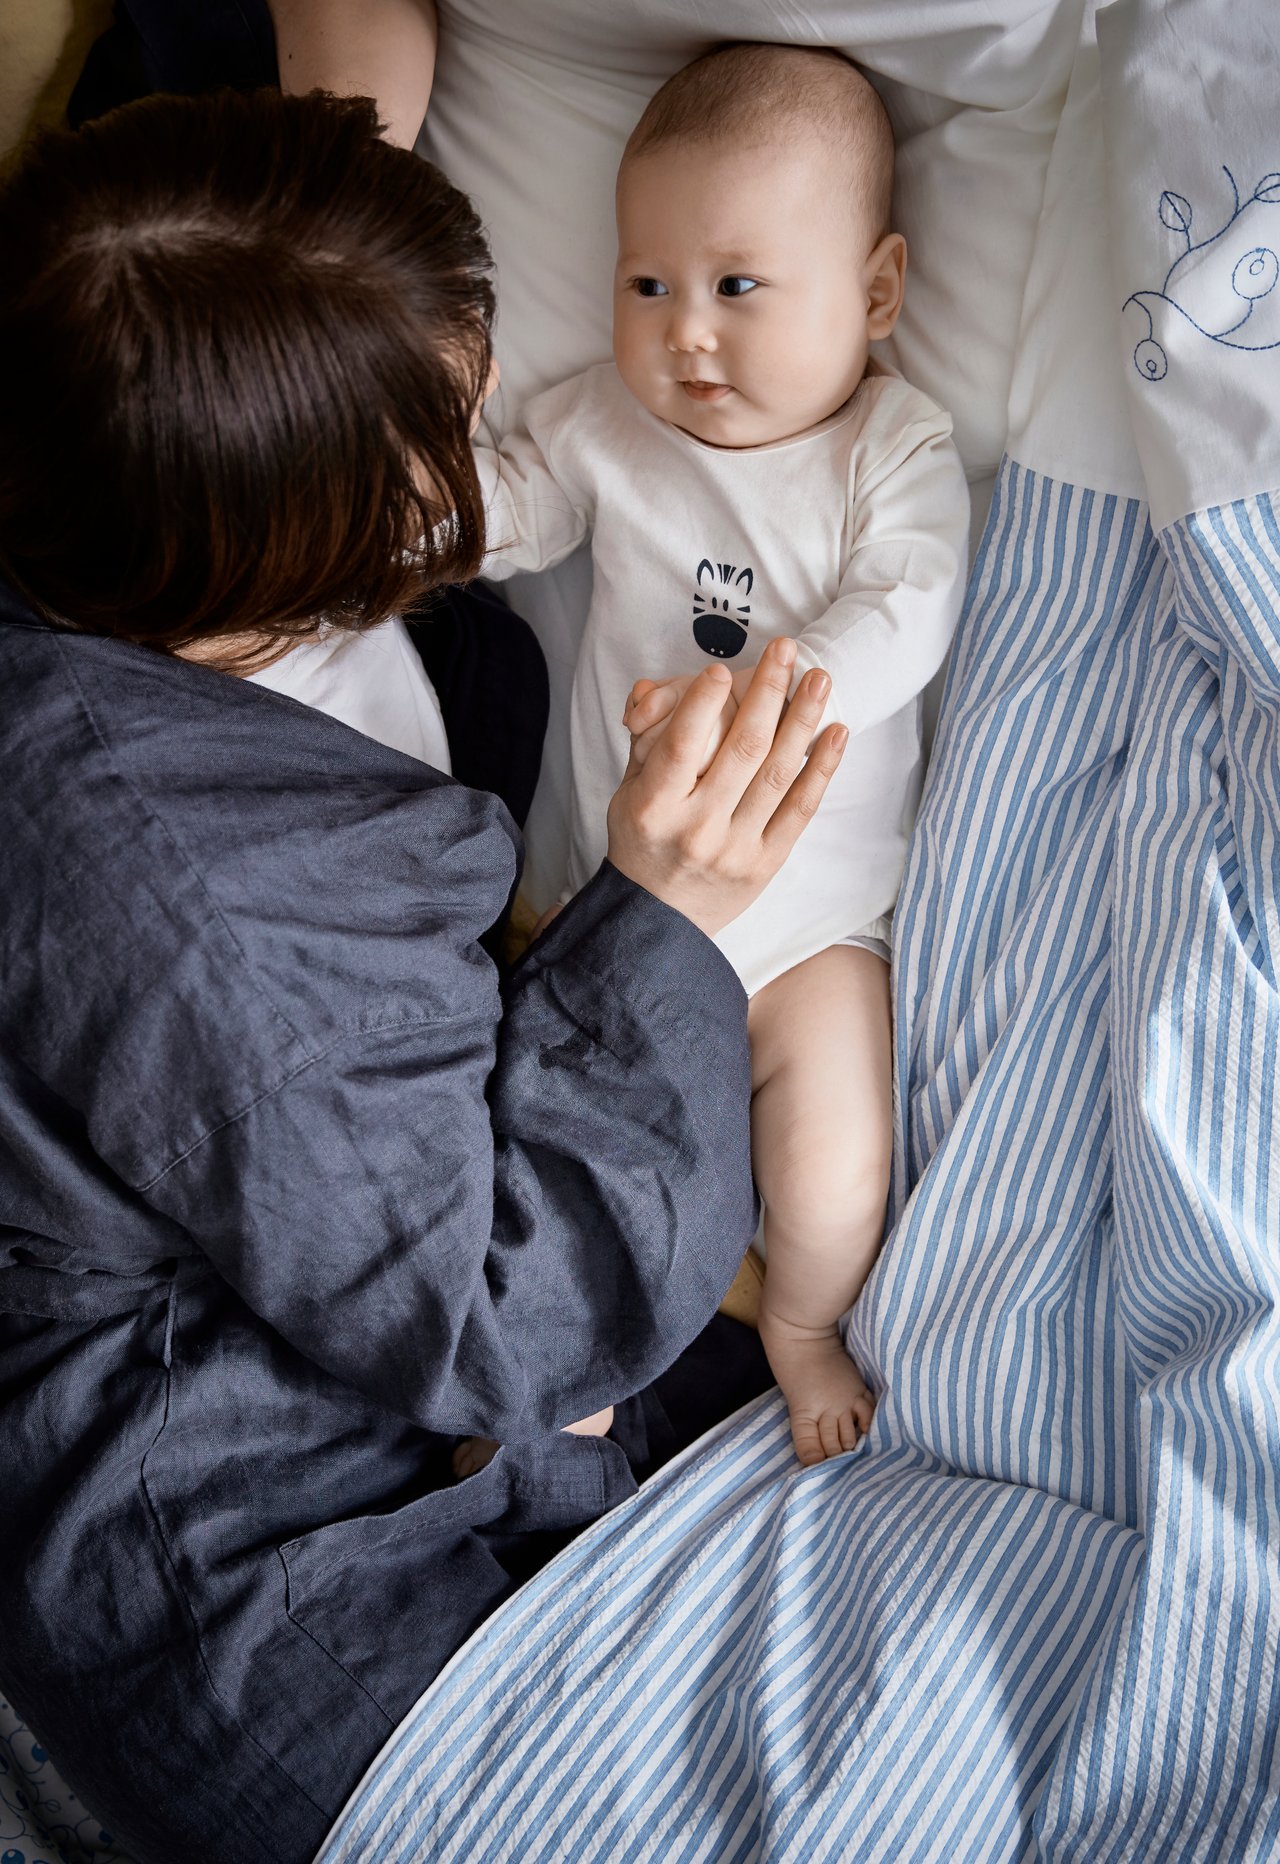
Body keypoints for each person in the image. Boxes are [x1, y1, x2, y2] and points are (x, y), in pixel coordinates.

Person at [0, 87, 844, 1864]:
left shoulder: (88, 510)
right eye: (444, 434)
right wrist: (661, 902)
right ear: (273, 531)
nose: (478, 459)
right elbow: (504, 1319)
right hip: (278, 1622)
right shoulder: (212, 908)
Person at [469, 45, 970, 1464]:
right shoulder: (603, 424)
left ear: (874, 294)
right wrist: (433, 491)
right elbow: (509, 515)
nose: (687, 334)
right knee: (553, 1138)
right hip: (610, 909)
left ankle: (800, 1324)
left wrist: (788, 689)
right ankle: (566, 1355)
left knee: (832, 1165)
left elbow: (914, 600)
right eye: (648, 286)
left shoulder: (890, 443)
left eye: (737, 288)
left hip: (813, 939)